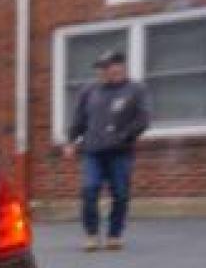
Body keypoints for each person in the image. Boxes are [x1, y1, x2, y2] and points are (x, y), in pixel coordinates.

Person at [64, 50, 150, 251]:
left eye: (106, 67)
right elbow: (79, 119)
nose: (102, 72)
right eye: (100, 69)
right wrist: (71, 141)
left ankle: (114, 235)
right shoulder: (89, 91)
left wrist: (124, 136)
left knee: (120, 193)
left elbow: (143, 120)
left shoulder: (136, 90)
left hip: (120, 152)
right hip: (92, 151)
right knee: (89, 190)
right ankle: (91, 235)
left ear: (120, 67)